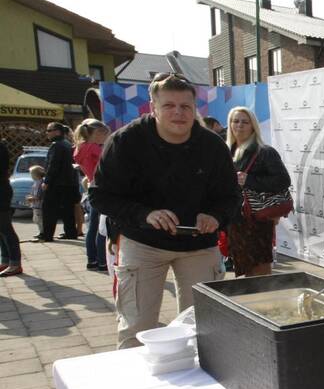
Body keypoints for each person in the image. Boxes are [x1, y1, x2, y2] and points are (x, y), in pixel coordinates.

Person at [89, 73, 240, 349]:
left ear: (195, 109)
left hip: (199, 245)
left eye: (186, 106)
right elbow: (100, 195)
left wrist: (216, 216)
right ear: (152, 107)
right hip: (142, 242)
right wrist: (144, 214)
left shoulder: (212, 145)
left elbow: (231, 197)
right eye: (169, 105)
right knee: (136, 327)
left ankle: (201, 385)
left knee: (207, 327)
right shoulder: (125, 141)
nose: (178, 113)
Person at [225, 106, 290, 277]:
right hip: (235, 221)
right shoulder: (226, 151)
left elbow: (283, 181)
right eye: (235, 121)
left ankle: (265, 301)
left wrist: (249, 180)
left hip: (257, 220)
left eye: (245, 122)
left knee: (260, 269)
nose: (239, 125)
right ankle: (250, 301)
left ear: (253, 126)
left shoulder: (265, 152)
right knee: (244, 269)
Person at [73, 118, 110, 271]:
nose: (106, 138)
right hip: (103, 188)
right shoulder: (94, 148)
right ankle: (103, 261)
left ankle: (92, 260)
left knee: (93, 227)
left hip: (91, 187)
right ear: (97, 133)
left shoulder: (79, 148)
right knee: (103, 228)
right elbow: (109, 162)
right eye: (104, 135)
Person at [35, 122, 78, 242]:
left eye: (49, 130)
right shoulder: (68, 144)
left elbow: (53, 165)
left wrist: (47, 181)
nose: (47, 133)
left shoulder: (56, 145)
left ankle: (47, 235)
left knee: (49, 209)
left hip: (57, 183)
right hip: (69, 183)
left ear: (57, 132)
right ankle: (70, 232)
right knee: (67, 210)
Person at [0, 143, 20, 276]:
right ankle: (6, 260)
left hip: (1, 190)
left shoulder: (1, 148)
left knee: (5, 228)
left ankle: (15, 263)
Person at [28, 166, 45, 233]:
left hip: (38, 205)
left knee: (39, 219)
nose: (31, 176)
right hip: (36, 205)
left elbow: (38, 195)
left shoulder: (39, 183)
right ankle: (41, 231)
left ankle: (42, 232)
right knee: (36, 219)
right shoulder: (37, 182)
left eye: (31, 174)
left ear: (35, 175)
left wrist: (31, 198)